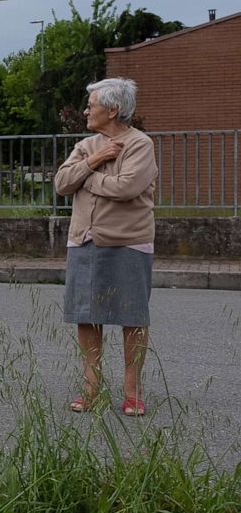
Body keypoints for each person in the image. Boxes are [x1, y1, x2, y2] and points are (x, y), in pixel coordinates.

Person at [54, 77, 157, 416]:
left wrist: (89, 181)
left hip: (128, 242)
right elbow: (62, 183)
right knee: (87, 316)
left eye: (92, 105)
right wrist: (94, 161)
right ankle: (91, 389)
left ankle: (133, 391)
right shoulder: (87, 145)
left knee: (132, 318)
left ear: (113, 110)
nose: (86, 110)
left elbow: (127, 187)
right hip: (84, 241)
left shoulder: (140, 145)